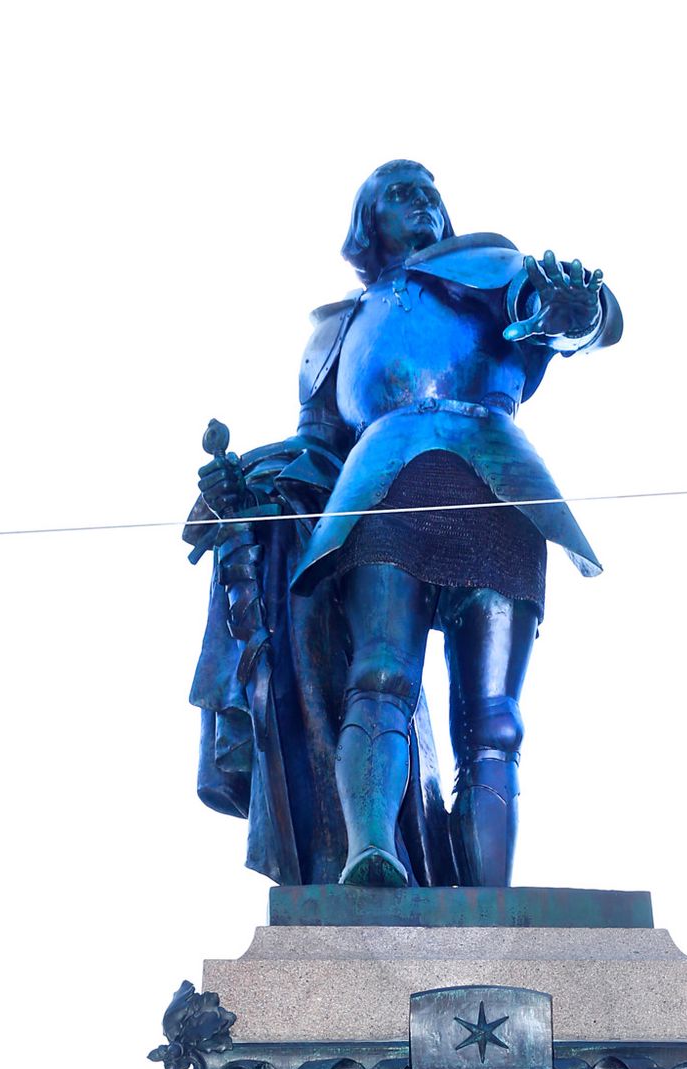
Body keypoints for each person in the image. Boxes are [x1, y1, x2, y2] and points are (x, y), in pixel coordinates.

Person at [188, 160, 622, 887]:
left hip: (496, 478)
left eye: (429, 191)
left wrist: (577, 311)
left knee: (493, 720)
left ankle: (488, 901)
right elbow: (317, 445)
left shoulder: (488, 266)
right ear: (368, 222)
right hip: (380, 479)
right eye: (400, 192)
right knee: (379, 675)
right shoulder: (334, 333)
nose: (422, 201)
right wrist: (252, 487)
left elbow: (567, 314)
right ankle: (371, 852)